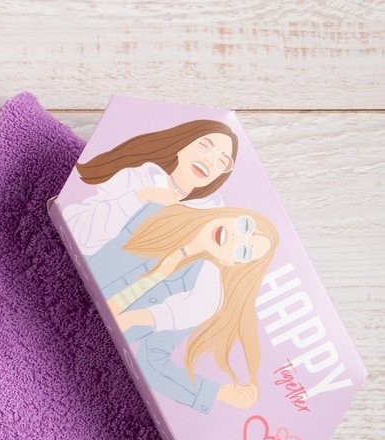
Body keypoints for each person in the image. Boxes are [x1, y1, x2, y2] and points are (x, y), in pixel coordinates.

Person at [95, 205, 278, 412]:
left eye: (244, 251)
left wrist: (213, 392)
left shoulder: (203, 293)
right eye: (245, 226)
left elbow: (152, 359)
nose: (237, 238)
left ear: (231, 263)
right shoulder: (160, 211)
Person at [63, 120, 238, 255]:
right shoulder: (136, 179)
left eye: (222, 161)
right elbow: (78, 232)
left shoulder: (211, 217)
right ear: (182, 146)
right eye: (204, 146)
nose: (210, 160)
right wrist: (141, 197)